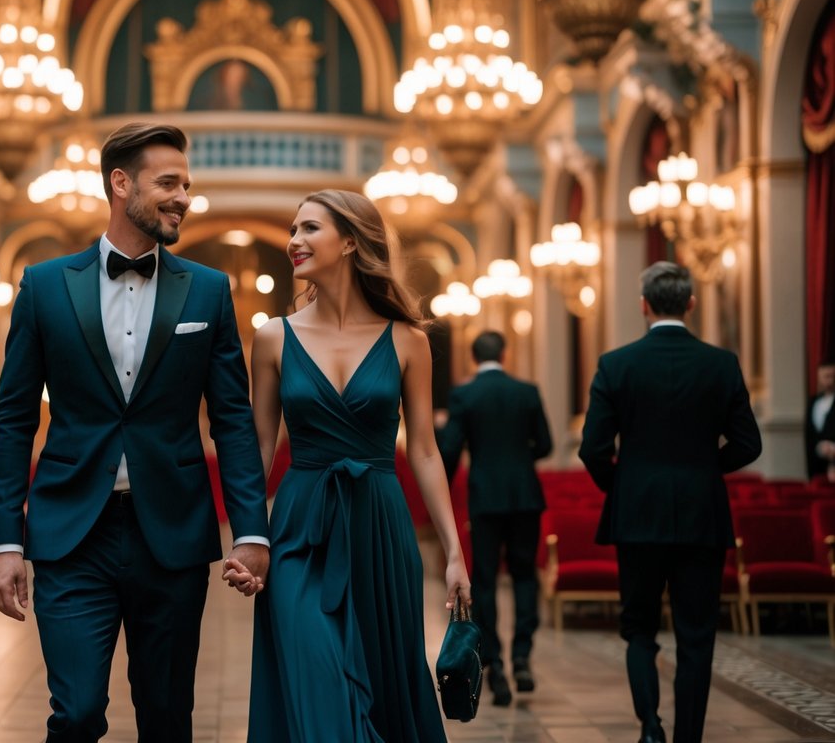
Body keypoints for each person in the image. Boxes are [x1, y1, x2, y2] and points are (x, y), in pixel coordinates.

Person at [0, 122, 270, 743]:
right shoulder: (43, 287)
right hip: (70, 536)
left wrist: (250, 531)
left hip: (171, 535)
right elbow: (12, 420)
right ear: (121, 183)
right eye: (168, 183)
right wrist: (5, 541)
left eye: (186, 186)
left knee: (167, 718)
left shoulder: (211, 292)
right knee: (78, 711)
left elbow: (234, 423)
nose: (182, 197)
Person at [247, 189, 470, 742]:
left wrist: (454, 553)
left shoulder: (409, 340)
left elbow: (422, 449)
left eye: (309, 229)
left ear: (350, 242)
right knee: (316, 675)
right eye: (293, 230)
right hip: (300, 526)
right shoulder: (273, 337)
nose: (293, 241)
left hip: (380, 526)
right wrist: (246, 538)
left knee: (384, 682)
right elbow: (258, 449)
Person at [579, 261, 761, 743]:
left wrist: (624, 485)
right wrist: (703, 469)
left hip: (637, 515)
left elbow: (593, 449)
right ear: (692, 304)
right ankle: (688, 739)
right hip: (702, 515)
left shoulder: (616, 364)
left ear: (643, 306)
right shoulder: (721, 363)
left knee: (638, 627)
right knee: (697, 635)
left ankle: (651, 727)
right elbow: (749, 444)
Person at [437, 330, 552, 706]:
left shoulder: (465, 395)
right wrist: (517, 462)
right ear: (504, 353)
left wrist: (444, 480)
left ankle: (495, 662)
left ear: (474, 357)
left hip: (485, 497)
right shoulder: (527, 391)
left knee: (484, 579)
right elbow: (546, 445)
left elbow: (451, 449)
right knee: (523, 575)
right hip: (524, 496)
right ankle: (522, 654)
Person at [805, 361, 835, 481]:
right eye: (825, 376)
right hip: (815, 465)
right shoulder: (813, 402)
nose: (828, 380)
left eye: (831, 376)